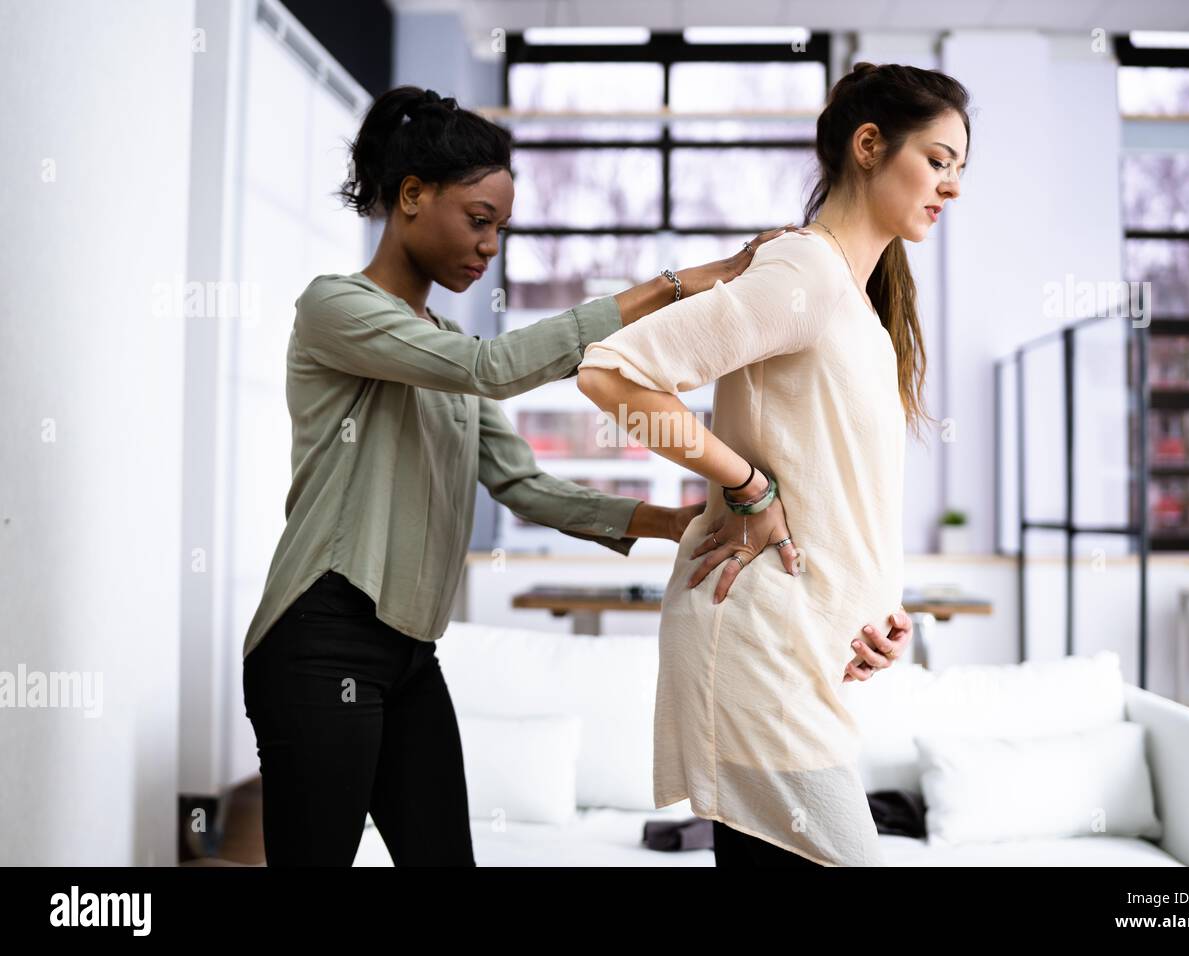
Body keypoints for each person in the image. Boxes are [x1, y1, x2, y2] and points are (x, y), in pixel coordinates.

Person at [240, 85, 806, 866]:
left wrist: (673, 525)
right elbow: (493, 366)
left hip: (409, 655)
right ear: (411, 196)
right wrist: (679, 283)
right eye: (478, 220)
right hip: (320, 640)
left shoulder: (437, 348)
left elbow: (525, 486)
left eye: (501, 229)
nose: (489, 246)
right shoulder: (337, 309)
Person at [577, 62, 970, 866]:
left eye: (959, 170)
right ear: (869, 145)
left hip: (808, 658)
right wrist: (746, 485)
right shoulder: (805, 271)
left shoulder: (855, 302)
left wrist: (879, 612)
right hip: (758, 650)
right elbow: (610, 373)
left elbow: (840, 488)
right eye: (938, 160)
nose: (951, 187)